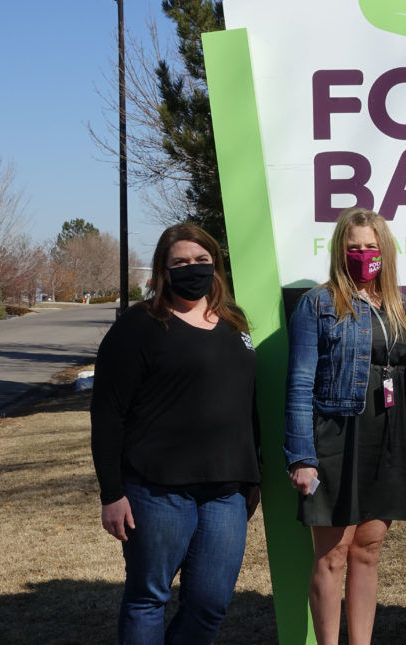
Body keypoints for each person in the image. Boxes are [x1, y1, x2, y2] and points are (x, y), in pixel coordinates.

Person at [90, 223, 261, 644]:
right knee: (148, 597)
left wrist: (253, 474)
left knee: (210, 604)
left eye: (201, 260)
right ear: (164, 271)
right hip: (157, 489)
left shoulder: (234, 325)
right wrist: (111, 493)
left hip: (226, 492)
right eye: (180, 262)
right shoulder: (139, 326)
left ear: (215, 266)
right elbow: (107, 413)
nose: (193, 269)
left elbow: (247, 404)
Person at [284, 207, 406, 645]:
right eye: (354, 248)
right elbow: (298, 384)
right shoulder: (319, 304)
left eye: (371, 246)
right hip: (335, 437)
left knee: (367, 552)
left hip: (388, 438)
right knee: (332, 556)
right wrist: (302, 456)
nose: (363, 254)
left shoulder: (403, 307)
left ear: (384, 251)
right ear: (340, 251)